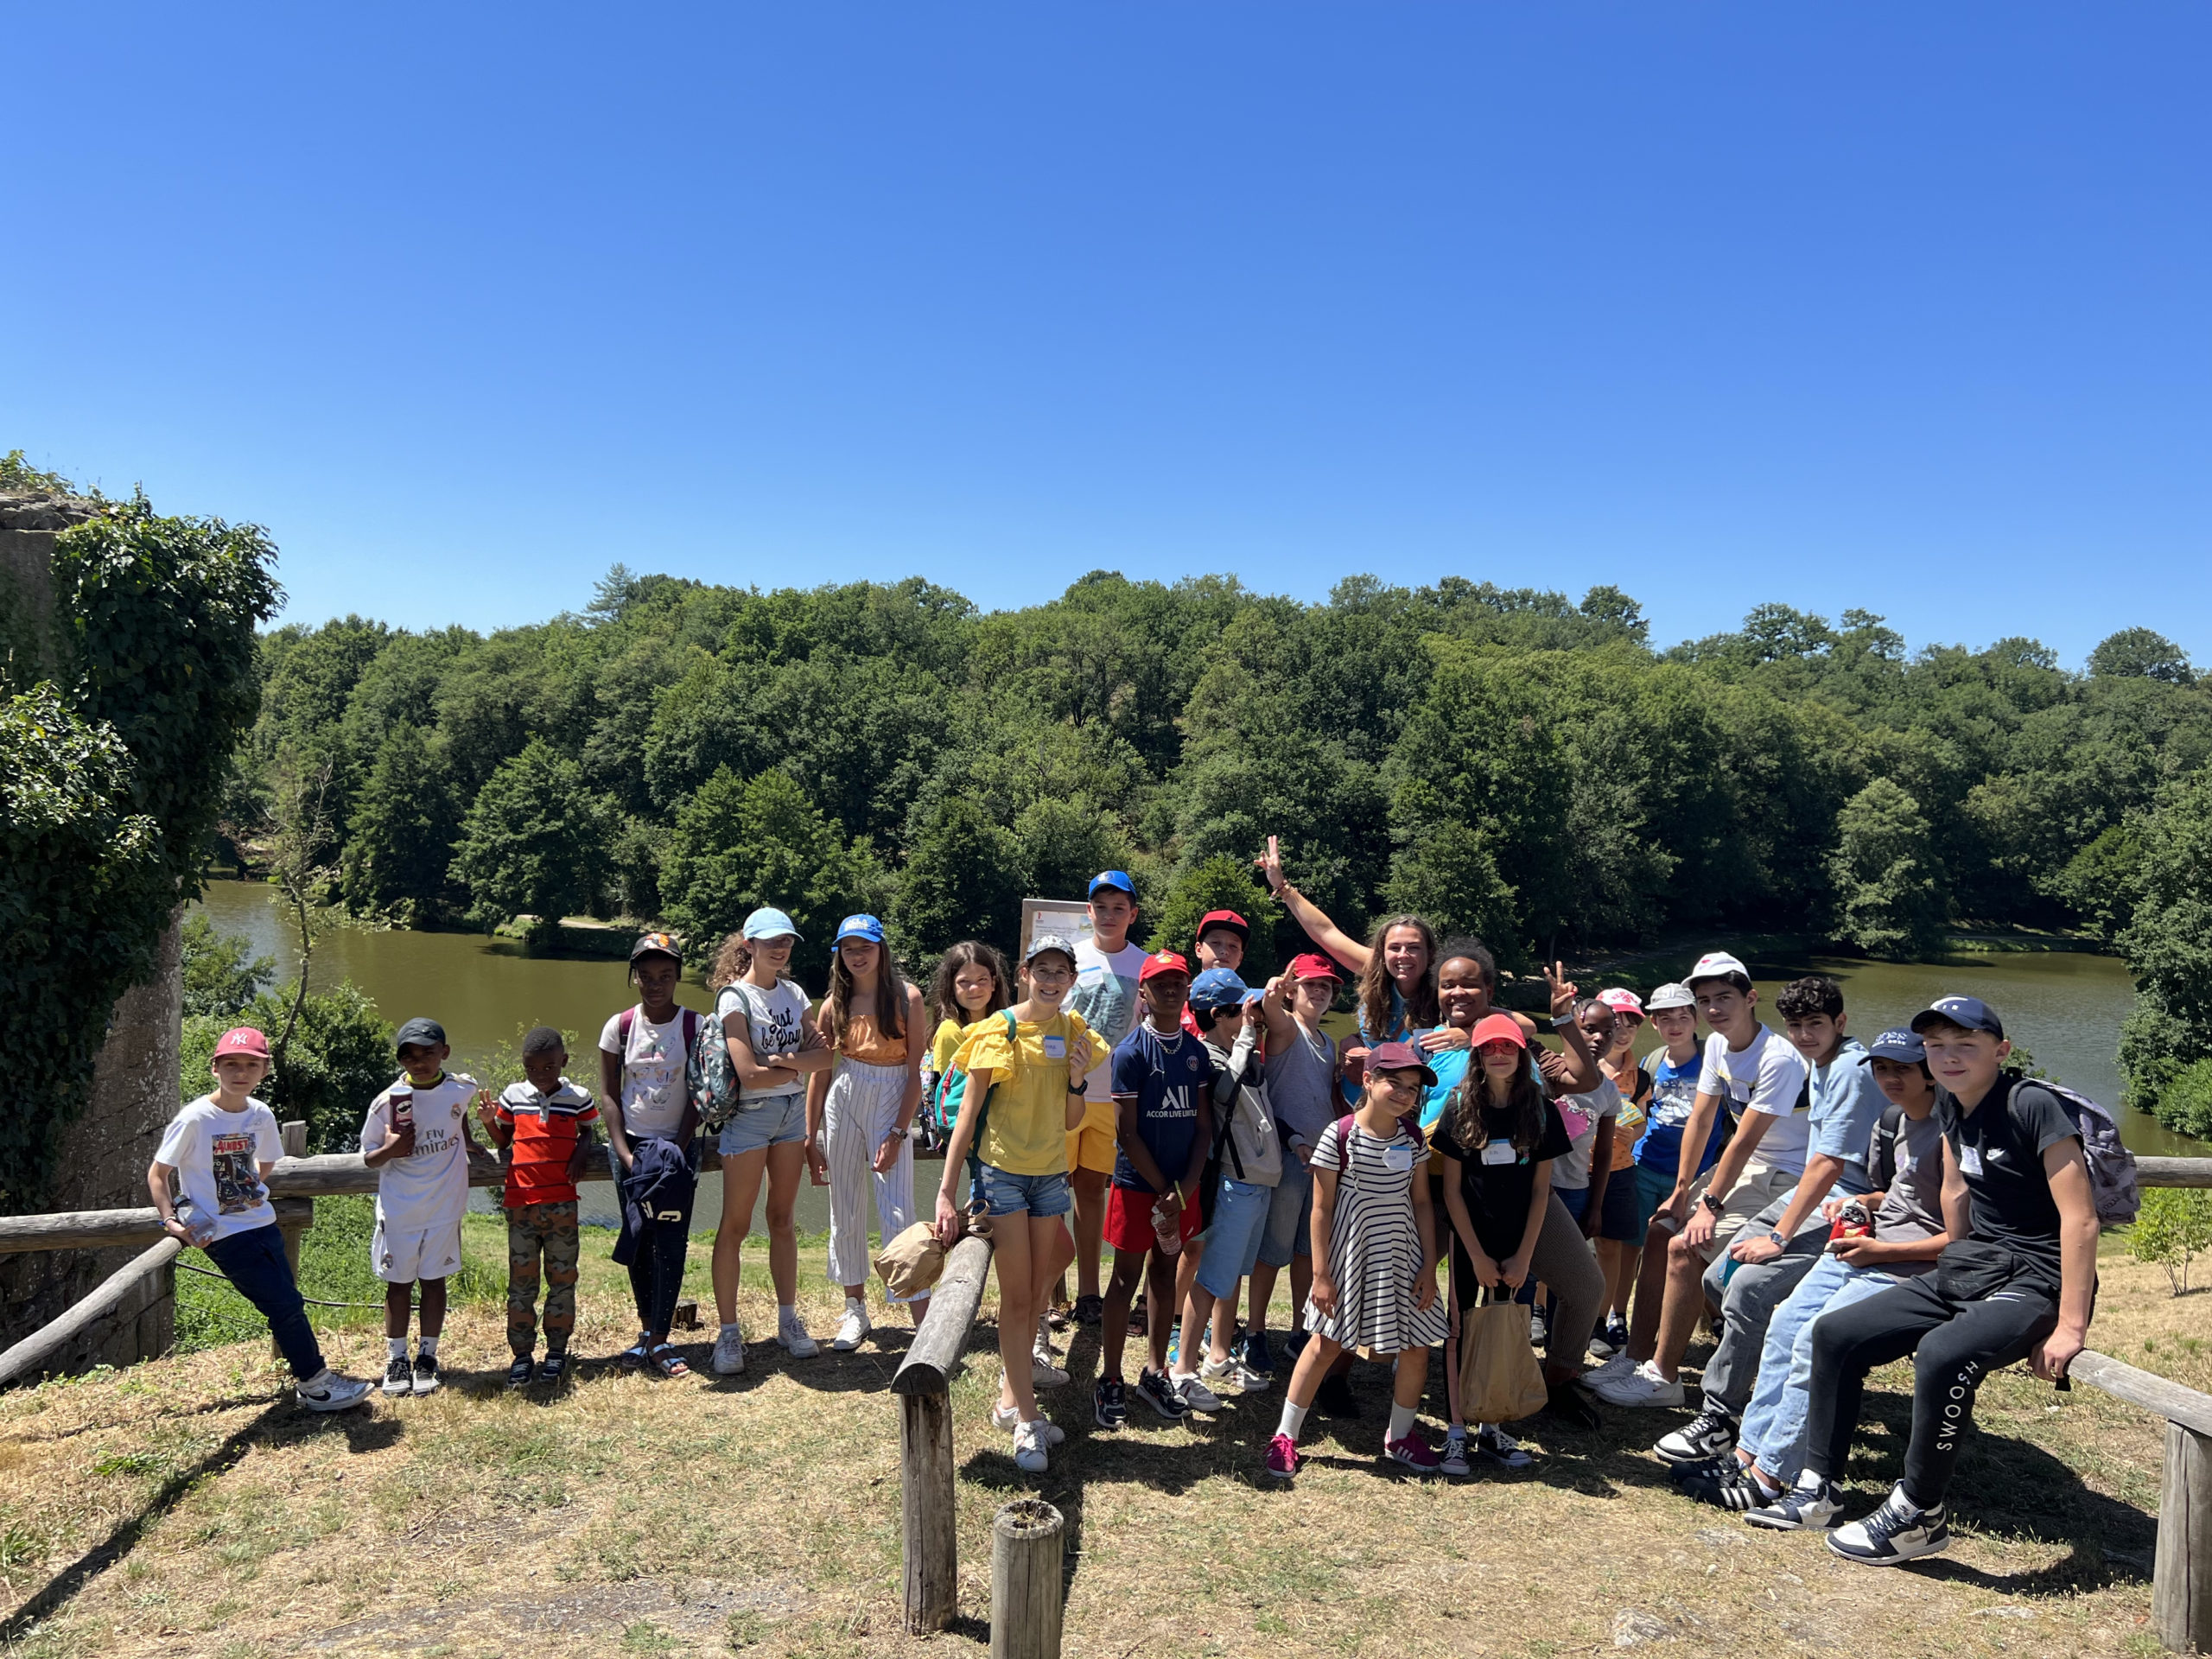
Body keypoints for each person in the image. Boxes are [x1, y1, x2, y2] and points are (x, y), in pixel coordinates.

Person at [1781, 997, 2098, 1565]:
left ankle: (1919, 1515)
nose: (1949, 1057)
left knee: (1943, 1354)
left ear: (1999, 1051)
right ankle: (1819, 1487)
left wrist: (2070, 1325)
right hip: (1975, 1263)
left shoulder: (2032, 1105)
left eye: (1965, 1045)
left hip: (2038, 1275)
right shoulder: (1952, 1104)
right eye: (1936, 1046)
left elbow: (2080, 1217)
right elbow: (1956, 1188)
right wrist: (1935, 1248)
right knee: (1835, 1334)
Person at [1676, 1030, 1961, 1516]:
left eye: (1903, 1069)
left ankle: (1771, 1477)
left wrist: (1878, 1251)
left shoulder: (1950, 1135)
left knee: (1813, 1339)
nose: (1890, 1079)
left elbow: (1958, 1238)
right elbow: (1896, 1197)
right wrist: (1860, 1204)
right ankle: (1747, 1455)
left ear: (1929, 1073)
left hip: (1904, 1265)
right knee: (1784, 1325)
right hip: (1863, 1247)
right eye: (1882, 1069)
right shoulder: (1893, 1121)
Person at [1657, 976, 1886, 1474]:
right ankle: (1750, 1384)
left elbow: (1829, 1166)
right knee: (1717, 1277)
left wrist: (1779, 1236)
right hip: (1815, 1189)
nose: (1804, 1036)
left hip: (1849, 1204)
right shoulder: (1819, 1063)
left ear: (1840, 1023)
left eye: (1816, 1026)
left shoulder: (1848, 1069)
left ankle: (1720, 1417)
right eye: (1797, 1026)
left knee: (1750, 1289)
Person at [1594, 952, 1810, 1409]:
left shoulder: (1779, 1058)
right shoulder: (1715, 1045)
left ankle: (1665, 1377)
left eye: (1724, 998)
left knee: (1684, 1246)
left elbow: (1745, 1140)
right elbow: (1701, 1117)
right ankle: (1637, 1357)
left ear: (1751, 998)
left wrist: (1708, 1205)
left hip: (1786, 1172)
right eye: (1706, 999)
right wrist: (1680, 1190)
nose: (1714, 1009)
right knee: (1659, 1229)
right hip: (1747, 1167)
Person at [932, 933, 1096, 1474]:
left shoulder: (1073, 1031)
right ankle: (1026, 1418)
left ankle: (1012, 1401)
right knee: (1019, 1297)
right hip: (1003, 1177)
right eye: (1042, 970)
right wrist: (946, 1191)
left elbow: (1073, 1121)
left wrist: (1076, 1078)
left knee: (1037, 1294)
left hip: (1051, 1177)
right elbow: (966, 1119)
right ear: (1024, 973)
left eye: (1061, 972)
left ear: (1072, 980)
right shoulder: (995, 1031)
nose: (1051, 981)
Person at [148, 1027, 373, 1412]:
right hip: (221, 1232)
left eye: (251, 1065)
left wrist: (246, 1185)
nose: (241, 1072)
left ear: (264, 1070)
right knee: (284, 1304)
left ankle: (307, 1379)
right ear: (215, 1067)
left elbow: (268, 1160)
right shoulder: (195, 1119)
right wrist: (170, 1220)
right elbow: (158, 1173)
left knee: (287, 1303)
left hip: (262, 1221)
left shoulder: (261, 1114)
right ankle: (317, 1386)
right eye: (231, 1064)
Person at [1264, 1042, 1452, 1478]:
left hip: (1403, 1257)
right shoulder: (1340, 1134)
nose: (1404, 1094)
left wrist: (1428, 1265)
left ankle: (1400, 1436)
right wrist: (1321, 1274)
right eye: (1394, 1083)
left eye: (1412, 1088)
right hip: (1349, 1256)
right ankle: (1286, 1435)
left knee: (1417, 1347)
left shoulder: (1412, 1136)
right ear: (1367, 1080)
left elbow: (1422, 1202)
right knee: (1325, 1344)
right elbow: (1321, 1209)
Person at [1428, 1014, 1586, 1471]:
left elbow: (1541, 1191)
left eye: (1509, 1048)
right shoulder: (1460, 1105)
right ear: (1477, 1056)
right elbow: (1453, 1191)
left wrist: (1523, 1257)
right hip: (1468, 1242)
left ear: (1521, 1054)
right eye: (1490, 1048)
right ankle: (1456, 1428)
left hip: (1515, 1240)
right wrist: (1476, 1255)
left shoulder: (1539, 1108)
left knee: (1502, 1326)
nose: (1500, 1055)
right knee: (1458, 1330)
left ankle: (1492, 1427)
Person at [703, 911, 836, 1373]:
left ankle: (787, 1320)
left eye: (787, 942)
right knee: (735, 1225)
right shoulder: (734, 998)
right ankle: (728, 1334)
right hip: (750, 1119)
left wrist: (786, 1061)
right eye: (770, 942)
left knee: (782, 1218)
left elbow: (826, 1056)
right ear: (749, 944)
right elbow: (749, 1075)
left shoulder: (795, 993)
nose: (780, 949)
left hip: (790, 1117)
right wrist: (794, 1062)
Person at [1096, 951, 1216, 1425]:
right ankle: (1109, 1378)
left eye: (1178, 982)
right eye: (1159, 982)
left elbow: (1203, 1126)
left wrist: (1185, 1186)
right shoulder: (1128, 1053)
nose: (1169, 989)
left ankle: (1155, 1371)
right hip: (1137, 1185)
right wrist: (1163, 1187)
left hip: (1181, 1189)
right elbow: (1126, 1133)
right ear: (1142, 993)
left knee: (1165, 1276)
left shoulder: (1196, 1052)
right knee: (1125, 1280)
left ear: (1187, 990)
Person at [805, 914, 929, 1351]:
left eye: (866, 947)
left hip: (892, 1094)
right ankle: (855, 1310)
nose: (857, 956)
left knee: (897, 1209)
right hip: (845, 1093)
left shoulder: (907, 998)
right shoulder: (831, 1005)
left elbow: (916, 1072)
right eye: (849, 948)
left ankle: (921, 1316)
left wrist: (898, 1132)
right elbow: (820, 1074)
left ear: (882, 950)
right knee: (846, 1205)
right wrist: (810, 1137)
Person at [1587, 984, 1718, 1390]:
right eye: (1665, 1018)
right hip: (1645, 1166)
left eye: (1683, 1017)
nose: (1675, 1025)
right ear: (1656, 1024)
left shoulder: (1716, 1061)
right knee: (1636, 1247)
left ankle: (1712, 1318)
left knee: (1694, 1250)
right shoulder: (1652, 1062)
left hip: (1699, 1174)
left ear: (1696, 1019)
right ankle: (1624, 1324)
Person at [601, 932, 712, 1377]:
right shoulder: (620, 1026)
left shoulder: (696, 1025)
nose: (655, 984)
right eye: (645, 976)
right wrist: (626, 1155)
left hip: (677, 1150)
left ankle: (664, 1339)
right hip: (631, 1147)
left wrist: (677, 1151)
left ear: (678, 977)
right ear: (635, 978)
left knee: (670, 1243)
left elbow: (702, 1092)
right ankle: (647, 1331)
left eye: (665, 975)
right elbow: (609, 1095)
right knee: (638, 1239)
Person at [1172, 967, 1279, 1402]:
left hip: (1257, 1182)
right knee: (1211, 1278)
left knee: (1231, 1273)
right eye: (1243, 1011)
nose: (1251, 1017)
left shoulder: (1240, 1050)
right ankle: (1183, 1370)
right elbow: (1223, 1092)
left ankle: (1217, 1356)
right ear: (1220, 1014)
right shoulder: (1206, 1057)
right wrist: (1249, 1037)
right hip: (1234, 1184)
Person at [360, 1016, 480, 1397]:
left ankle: (428, 1355)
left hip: (444, 1207)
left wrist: (470, 1139)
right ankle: (397, 1358)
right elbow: (368, 1158)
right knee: (398, 1285)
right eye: (409, 1056)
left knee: (434, 1281)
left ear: (444, 1053)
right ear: (401, 1060)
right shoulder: (386, 1103)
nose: (419, 1061)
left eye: (428, 1053)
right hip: (400, 1210)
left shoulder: (462, 1089)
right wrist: (392, 1149)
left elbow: (458, 1114)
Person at [481, 1026, 599, 1386]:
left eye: (549, 1067)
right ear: (524, 1066)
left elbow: (590, 1130)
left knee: (562, 1280)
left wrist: (582, 1153)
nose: (541, 1075)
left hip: (562, 1204)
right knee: (522, 1284)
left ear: (563, 1061)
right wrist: (488, 1123)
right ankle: (521, 1355)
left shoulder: (578, 1096)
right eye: (533, 1068)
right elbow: (504, 1139)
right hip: (520, 1204)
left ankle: (557, 1352)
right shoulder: (513, 1095)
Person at [1248, 950, 1343, 1380]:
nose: (1319, 991)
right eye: (1311, 984)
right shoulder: (1288, 1029)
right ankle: (1254, 1332)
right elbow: (1271, 1011)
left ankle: (1302, 1331)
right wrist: (1275, 992)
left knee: (1309, 1251)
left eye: (1326, 986)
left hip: (1323, 1162)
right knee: (1274, 1251)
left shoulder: (1329, 1042)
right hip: (1288, 1156)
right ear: (1294, 991)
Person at [1064, 871, 1151, 1325]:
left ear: (1133, 914)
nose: (1110, 915)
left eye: (1120, 908)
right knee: (1047, 1194)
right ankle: (1048, 1294)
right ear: (1089, 911)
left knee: (1092, 1193)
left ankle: (1089, 1293)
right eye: (1102, 907)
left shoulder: (1145, 965)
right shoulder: (1068, 959)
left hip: (1112, 1098)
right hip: (1064, 1093)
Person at [1590, 988, 1651, 1354]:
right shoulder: (1578, 1063)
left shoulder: (1641, 1077)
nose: (1623, 1031)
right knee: (1556, 1244)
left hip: (1617, 1169)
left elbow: (1642, 1120)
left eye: (1632, 1023)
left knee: (1609, 1246)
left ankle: (1600, 1321)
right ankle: (1541, 1311)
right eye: (1615, 1022)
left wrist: (1633, 1132)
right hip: (1575, 1168)